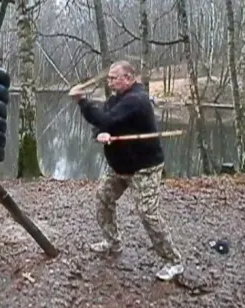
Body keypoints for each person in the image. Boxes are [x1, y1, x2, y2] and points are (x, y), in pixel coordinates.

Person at [69, 60, 184, 281]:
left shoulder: (136, 100)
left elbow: (105, 118)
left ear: (129, 78)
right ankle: (113, 242)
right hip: (120, 167)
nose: (110, 81)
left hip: (144, 168)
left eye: (114, 78)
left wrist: (82, 101)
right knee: (103, 198)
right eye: (109, 77)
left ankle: (174, 261)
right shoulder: (115, 100)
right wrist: (99, 134)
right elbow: (102, 124)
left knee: (147, 213)